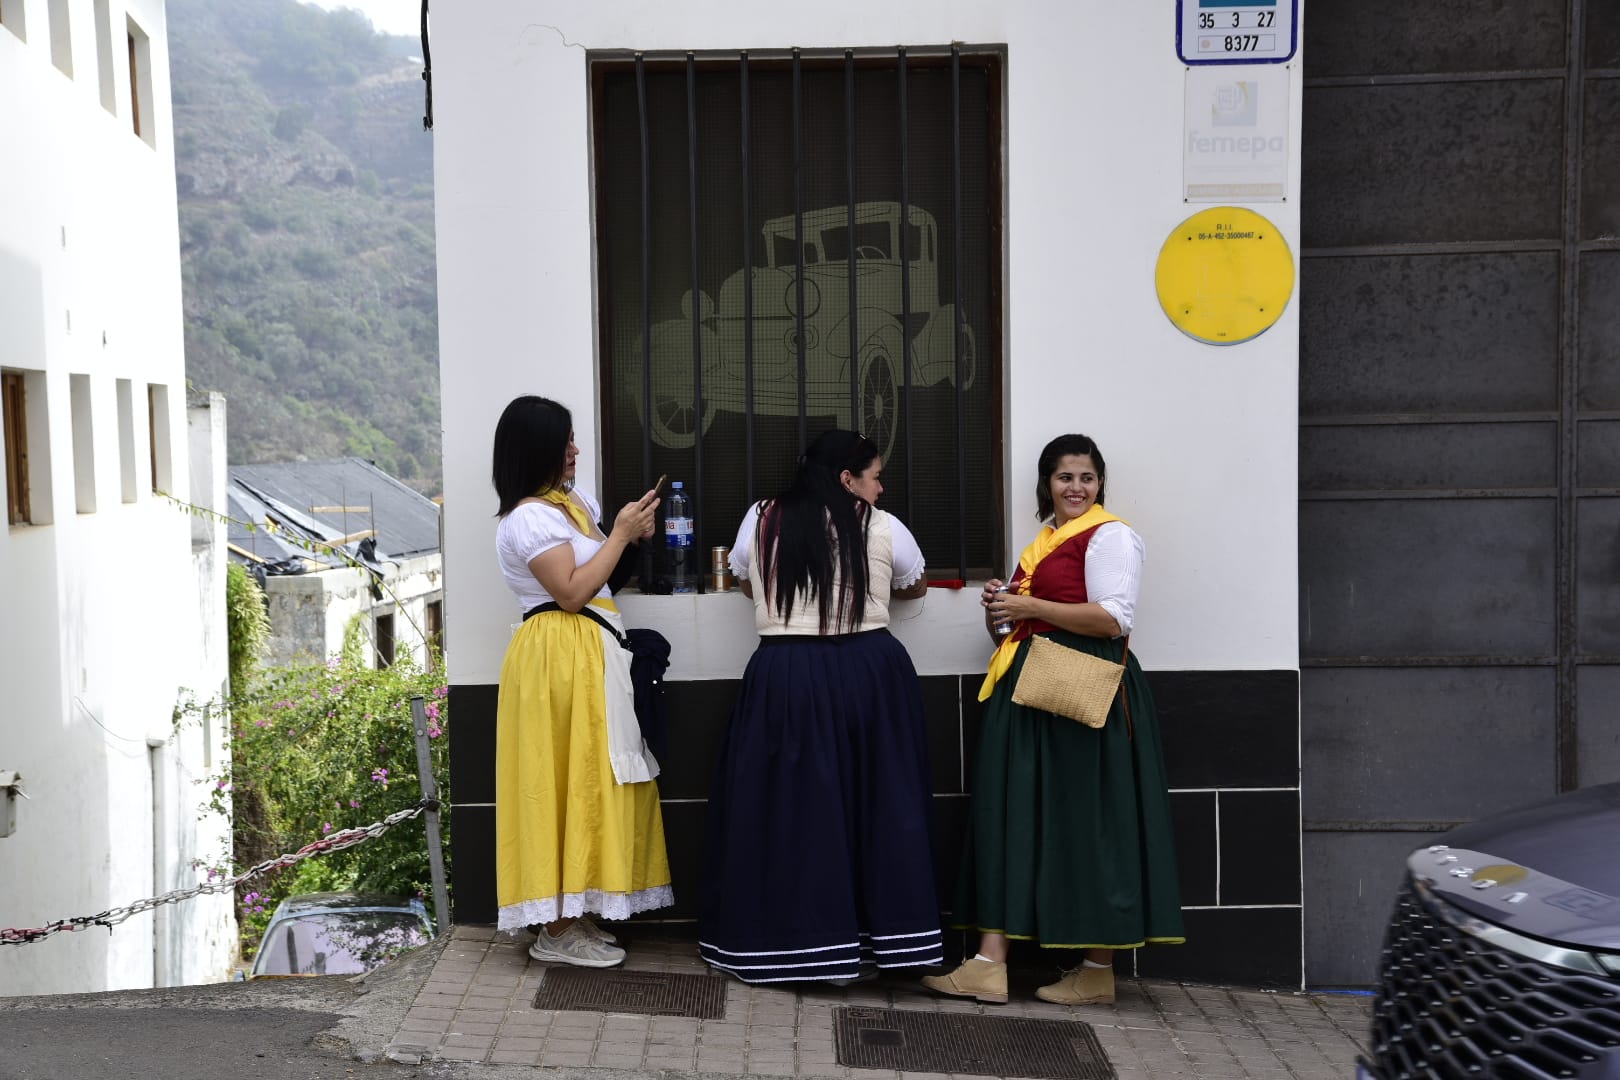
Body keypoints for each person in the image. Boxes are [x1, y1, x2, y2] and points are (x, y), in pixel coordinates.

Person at [923, 433, 1183, 1005]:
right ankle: (991, 964)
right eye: (1066, 477)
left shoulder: (1112, 536)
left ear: (1100, 483)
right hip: (1036, 690)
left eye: (1087, 477)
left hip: (1084, 693)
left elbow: (1114, 618)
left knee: (1091, 821)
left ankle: (1095, 969)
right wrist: (1002, 608)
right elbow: (1018, 627)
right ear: (1047, 484)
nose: (1077, 487)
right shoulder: (1044, 543)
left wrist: (1031, 605)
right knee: (1018, 816)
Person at [700, 429, 943, 984]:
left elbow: (744, 581)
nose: (881, 489)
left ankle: (800, 948)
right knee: (878, 806)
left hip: (787, 673)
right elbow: (915, 584)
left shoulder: (760, 516)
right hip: (868, 671)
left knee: (793, 809)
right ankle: (882, 944)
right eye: (876, 477)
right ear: (847, 479)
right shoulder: (884, 526)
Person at [491, 395, 673, 968]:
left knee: (593, 776)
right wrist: (618, 534)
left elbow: (600, 576)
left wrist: (628, 533)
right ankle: (555, 929)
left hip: (589, 653)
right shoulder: (529, 517)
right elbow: (570, 593)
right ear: (538, 449)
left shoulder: (572, 504)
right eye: (565, 440)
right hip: (555, 657)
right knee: (564, 775)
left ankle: (577, 913)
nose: (575, 449)